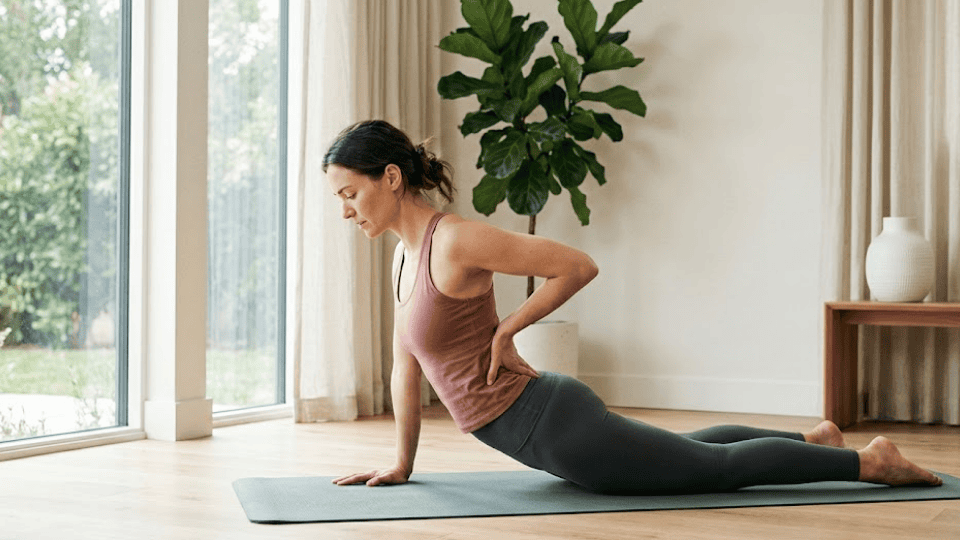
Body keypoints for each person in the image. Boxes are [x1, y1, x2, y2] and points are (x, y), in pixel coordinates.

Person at [323, 119, 942, 494]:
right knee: (686, 450)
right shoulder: (403, 257)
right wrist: (401, 464)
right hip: (545, 427)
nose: (346, 210)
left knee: (712, 471)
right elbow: (408, 364)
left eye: (350, 193)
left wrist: (510, 327)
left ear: (392, 178)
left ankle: (867, 463)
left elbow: (576, 264)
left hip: (550, 424)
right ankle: (815, 439)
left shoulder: (456, 240)